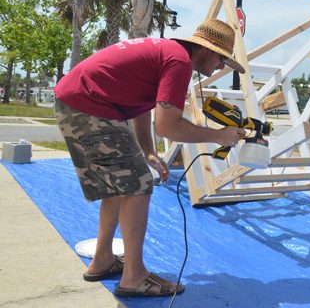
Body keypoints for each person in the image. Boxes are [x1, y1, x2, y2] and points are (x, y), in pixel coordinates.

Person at [54, 19, 246, 297]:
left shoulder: (167, 54)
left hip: (82, 100)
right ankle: (133, 277)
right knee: (138, 184)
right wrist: (219, 136)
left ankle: (103, 259)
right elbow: (168, 126)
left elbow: (139, 106)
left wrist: (148, 152)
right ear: (205, 49)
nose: (220, 66)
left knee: (121, 184)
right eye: (221, 58)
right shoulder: (179, 62)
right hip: (88, 103)